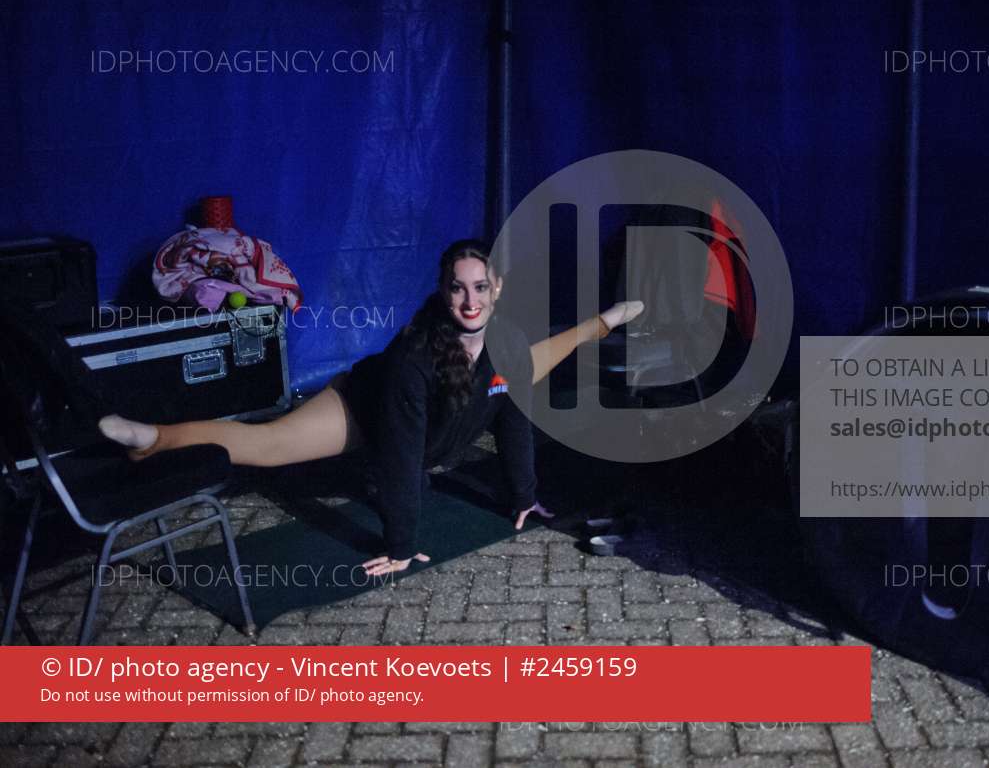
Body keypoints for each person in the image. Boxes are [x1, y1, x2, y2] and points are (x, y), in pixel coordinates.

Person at [97, 239, 644, 577]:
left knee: (528, 363)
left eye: (480, 288)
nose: (470, 301)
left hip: (449, 408)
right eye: (458, 289)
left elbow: (514, 418)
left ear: (496, 288)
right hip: (365, 406)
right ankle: (153, 438)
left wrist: (524, 495)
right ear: (443, 290)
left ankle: (607, 320)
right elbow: (400, 455)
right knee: (269, 445)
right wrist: (401, 544)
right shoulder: (413, 358)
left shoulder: (507, 342)